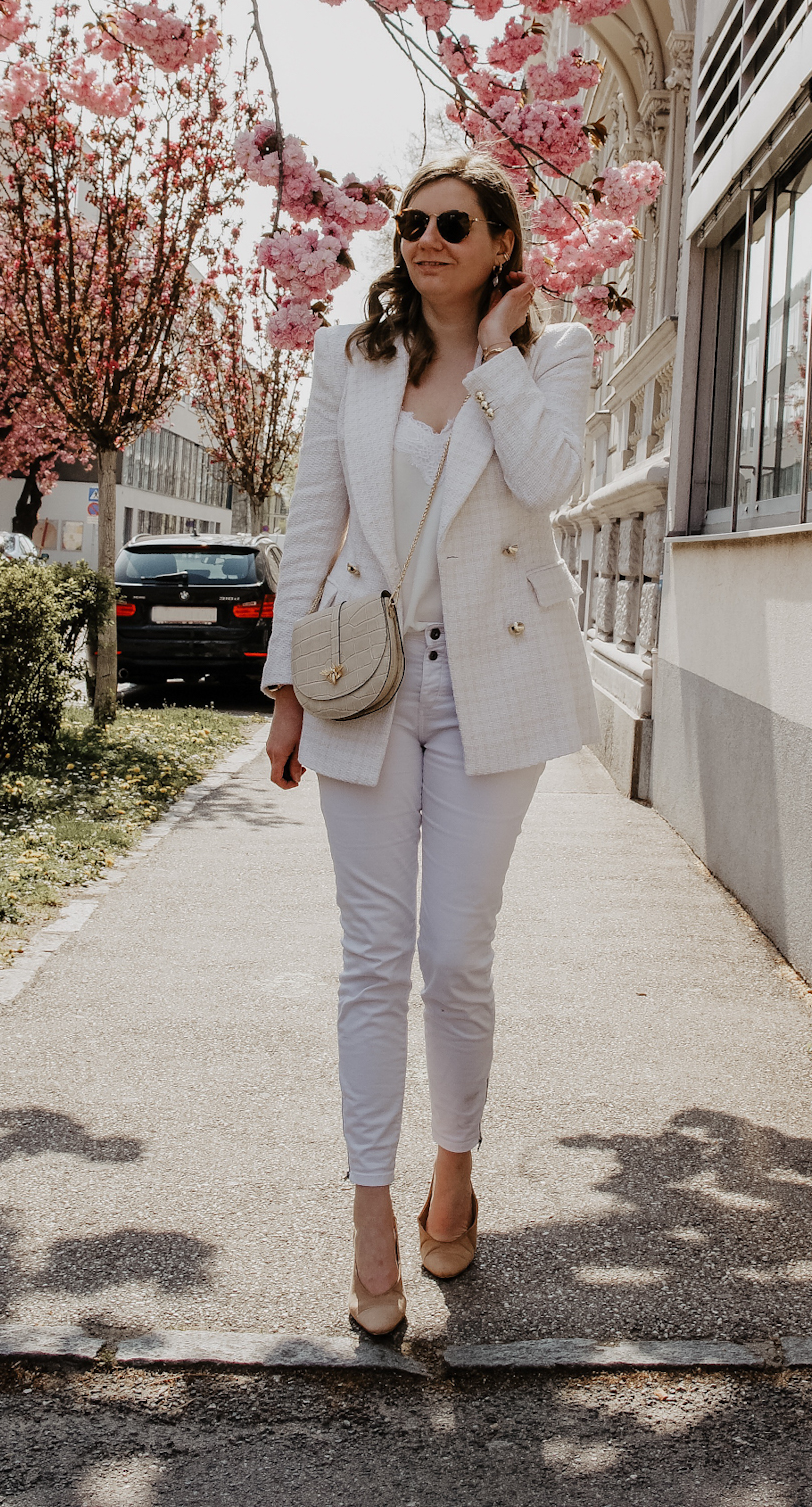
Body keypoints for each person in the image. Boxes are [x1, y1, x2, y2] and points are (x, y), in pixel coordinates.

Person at [263, 151, 599, 1335]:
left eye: (452, 221)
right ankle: (368, 1215)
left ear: (501, 244)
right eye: (409, 221)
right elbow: (315, 518)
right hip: (366, 684)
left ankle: (453, 1169)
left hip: (489, 688)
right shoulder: (351, 357)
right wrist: (286, 687)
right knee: (372, 953)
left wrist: (499, 357)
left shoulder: (549, 357)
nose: (424, 237)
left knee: (454, 952)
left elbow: (551, 480)